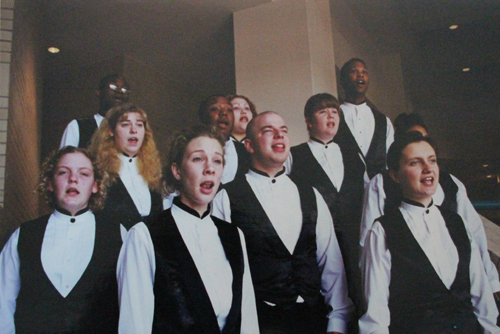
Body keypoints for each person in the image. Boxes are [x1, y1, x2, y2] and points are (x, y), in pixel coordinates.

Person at [212, 111, 353, 334]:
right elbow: (219, 271)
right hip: (259, 323)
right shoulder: (226, 197)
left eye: (284, 131)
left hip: (313, 320)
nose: (279, 135)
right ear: (249, 145)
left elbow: (331, 262)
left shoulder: (311, 195)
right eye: (268, 131)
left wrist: (337, 321)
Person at [117, 125, 259, 333]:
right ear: (176, 170)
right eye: (198, 159)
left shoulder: (233, 235)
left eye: (217, 160)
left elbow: (247, 320)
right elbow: (134, 325)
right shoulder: (144, 236)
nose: (210, 168)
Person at [359, 132, 499, 333]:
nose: (428, 169)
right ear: (395, 175)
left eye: (432, 160)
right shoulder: (382, 231)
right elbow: (376, 316)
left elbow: (481, 297)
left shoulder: (457, 223)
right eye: (415, 163)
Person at [0, 146, 122, 333]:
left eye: (84, 174)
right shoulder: (23, 235)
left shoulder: (119, 235)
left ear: (95, 186)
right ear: (50, 183)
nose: (73, 179)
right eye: (63, 172)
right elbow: (3, 302)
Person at [286, 93, 366, 320]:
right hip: (316, 245)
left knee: (360, 300)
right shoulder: (294, 155)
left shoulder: (354, 155)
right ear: (309, 121)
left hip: (354, 242)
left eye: (334, 112)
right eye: (323, 112)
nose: (331, 116)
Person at [90, 102, 163, 234]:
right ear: (111, 131)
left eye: (139, 125)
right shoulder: (98, 170)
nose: (133, 130)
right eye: (125, 124)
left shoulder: (153, 172)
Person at [334, 58, 394, 184]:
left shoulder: (384, 121)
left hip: (377, 192)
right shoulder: (334, 116)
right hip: (343, 193)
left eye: (364, 72)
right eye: (354, 71)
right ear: (342, 80)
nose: (360, 75)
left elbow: (390, 161)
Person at [60, 74, 130, 148]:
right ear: (98, 92)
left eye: (124, 90)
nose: (119, 91)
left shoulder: (133, 131)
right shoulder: (79, 126)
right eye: (113, 87)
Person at [198, 95, 251, 184]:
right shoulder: (191, 150)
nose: (224, 113)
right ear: (203, 117)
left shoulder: (246, 152)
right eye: (215, 109)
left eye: (229, 110)